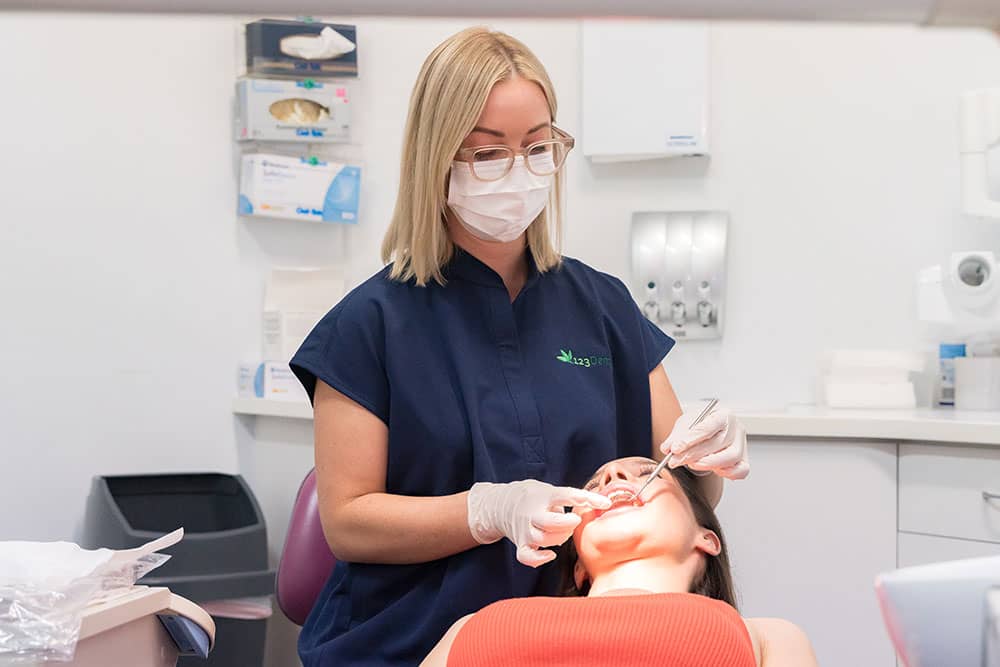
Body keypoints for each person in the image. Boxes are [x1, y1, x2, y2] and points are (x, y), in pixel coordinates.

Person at [289, 27, 751, 666]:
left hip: (571, 639)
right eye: (487, 153)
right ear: (436, 156)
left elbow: (683, 483)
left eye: (537, 146)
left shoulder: (601, 305)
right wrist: (488, 510)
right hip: (404, 639)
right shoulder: (368, 325)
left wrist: (710, 450)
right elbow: (348, 523)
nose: (518, 171)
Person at [422, 457, 817, 667]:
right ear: (577, 567)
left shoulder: (769, 637)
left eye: (650, 473)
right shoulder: (469, 627)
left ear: (706, 538)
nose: (614, 475)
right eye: (594, 485)